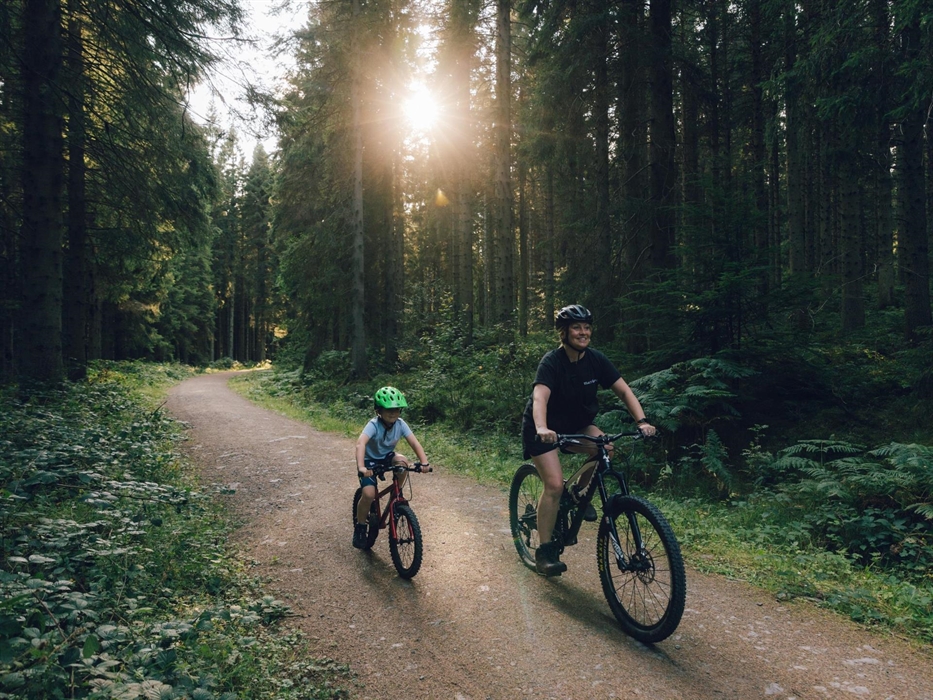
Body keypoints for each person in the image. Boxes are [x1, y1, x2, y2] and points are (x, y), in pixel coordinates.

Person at [521, 304, 657, 576]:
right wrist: (542, 427)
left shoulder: (596, 360)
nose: (583, 333)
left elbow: (624, 391)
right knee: (554, 485)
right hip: (544, 430)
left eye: (586, 328)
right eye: (576, 327)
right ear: (564, 332)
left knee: (606, 447)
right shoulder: (552, 362)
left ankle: (579, 493)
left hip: (578, 426)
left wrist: (641, 421)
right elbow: (540, 398)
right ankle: (545, 551)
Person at [353, 386, 429, 549]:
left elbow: (414, 443)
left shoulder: (401, 424)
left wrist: (424, 463)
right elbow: (361, 444)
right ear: (379, 410)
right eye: (388, 410)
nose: (393, 413)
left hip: (386, 457)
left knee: (402, 462)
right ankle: (360, 527)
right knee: (368, 494)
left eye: (396, 409)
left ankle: (396, 494)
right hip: (369, 460)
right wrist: (361, 467)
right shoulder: (373, 425)